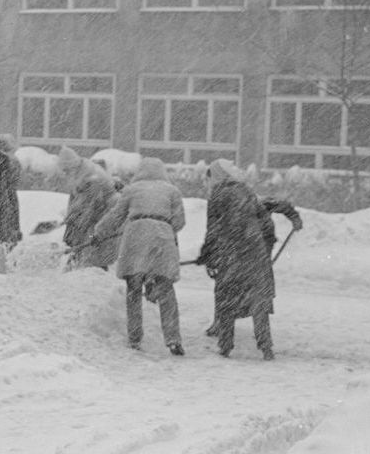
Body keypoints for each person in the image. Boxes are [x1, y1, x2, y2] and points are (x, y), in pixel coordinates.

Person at [94, 156, 186, 355]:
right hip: (163, 238)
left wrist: (98, 232)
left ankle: (135, 338)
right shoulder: (172, 191)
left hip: (136, 236)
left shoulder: (131, 190)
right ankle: (173, 338)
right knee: (166, 290)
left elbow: (116, 216)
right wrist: (164, 226)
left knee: (133, 290)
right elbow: (179, 221)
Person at [196, 159, 278, 360]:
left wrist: (207, 254)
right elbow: (266, 224)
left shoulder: (218, 195)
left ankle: (225, 345)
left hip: (231, 253)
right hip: (254, 253)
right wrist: (265, 247)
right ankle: (266, 346)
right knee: (258, 302)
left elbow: (213, 229)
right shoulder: (247, 192)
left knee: (226, 299)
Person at [205, 195, 303, 337]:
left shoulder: (255, 203)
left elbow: (282, 205)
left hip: (259, 244)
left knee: (230, 286)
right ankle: (227, 322)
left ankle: (231, 323)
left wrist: (295, 219)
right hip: (250, 246)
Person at [58, 145, 119, 270]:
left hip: (105, 212)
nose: (65, 173)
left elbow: (90, 207)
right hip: (98, 210)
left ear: (72, 166)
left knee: (94, 241)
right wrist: (70, 217)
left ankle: (98, 269)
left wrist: (78, 224)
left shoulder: (91, 177)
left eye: (67, 170)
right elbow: (76, 200)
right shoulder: (79, 173)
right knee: (87, 241)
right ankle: (78, 265)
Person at [0, 133, 22, 247]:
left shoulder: (5, 160)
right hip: (10, 195)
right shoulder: (14, 160)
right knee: (11, 223)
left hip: (5, 196)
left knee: (5, 224)